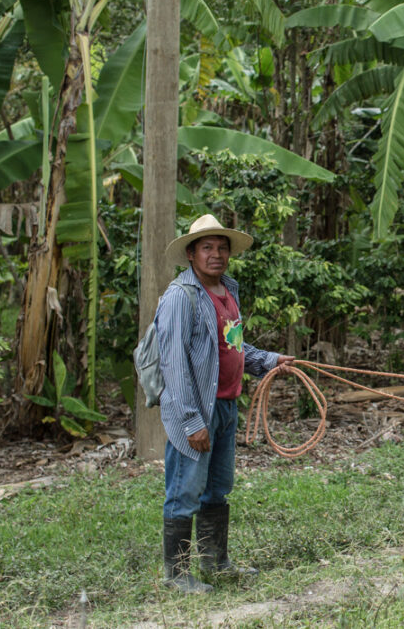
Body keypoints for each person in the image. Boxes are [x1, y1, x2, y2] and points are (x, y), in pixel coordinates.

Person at [155, 214, 294, 593]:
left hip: (226, 406)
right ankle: (177, 574)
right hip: (196, 409)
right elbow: (174, 364)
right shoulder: (180, 298)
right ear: (191, 254)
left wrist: (269, 360)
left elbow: (232, 347)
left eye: (221, 248)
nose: (215, 255)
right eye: (207, 248)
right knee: (185, 490)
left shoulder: (227, 292)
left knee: (217, 488)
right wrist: (190, 421)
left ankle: (215, 562)